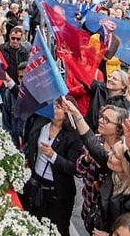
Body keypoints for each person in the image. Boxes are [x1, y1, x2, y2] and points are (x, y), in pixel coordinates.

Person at [64, 100, 130, 236]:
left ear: (126, 166)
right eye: (101, 117)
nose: (109, 156)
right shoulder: (114, 173)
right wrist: (75, 113)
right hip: (92, 216)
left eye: (115, 155)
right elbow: (90, 142)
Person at [21, 96, 83, 236]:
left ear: (68, 113)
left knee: (58, 230)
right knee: (34, 225)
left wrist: (53, 156)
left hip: (58, 193)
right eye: (54, 105)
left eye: (59, 107)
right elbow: (30, 144)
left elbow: (74, 168)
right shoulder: (42, 123)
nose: (54, 108)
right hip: (36, 186)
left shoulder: (73, 136)